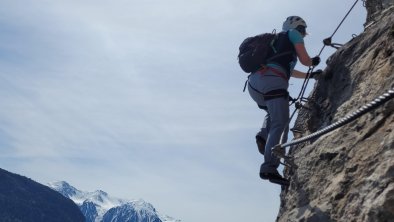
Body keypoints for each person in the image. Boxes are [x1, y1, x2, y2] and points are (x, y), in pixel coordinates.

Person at [247, 16, 323, 186]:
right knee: (280, 124)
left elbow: (288, 69)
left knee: (272, 114)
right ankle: (269, 167)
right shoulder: (293, 34)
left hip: (255, 84)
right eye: (302, 30)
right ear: (296, 27)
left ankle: (263, 135)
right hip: (273, 81)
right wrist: (313, 62)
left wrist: (309, 76)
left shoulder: (275, 41)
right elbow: (305, 60)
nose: (303, 34)